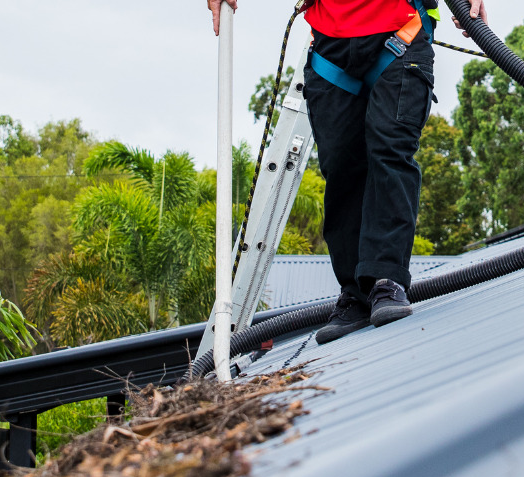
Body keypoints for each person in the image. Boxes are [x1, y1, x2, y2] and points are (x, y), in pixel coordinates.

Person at [208, 0, 488, 344]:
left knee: (390, 150)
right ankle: (355, 294)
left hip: (401, 34)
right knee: (340, 166)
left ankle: (386, 280)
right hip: (330, 49)